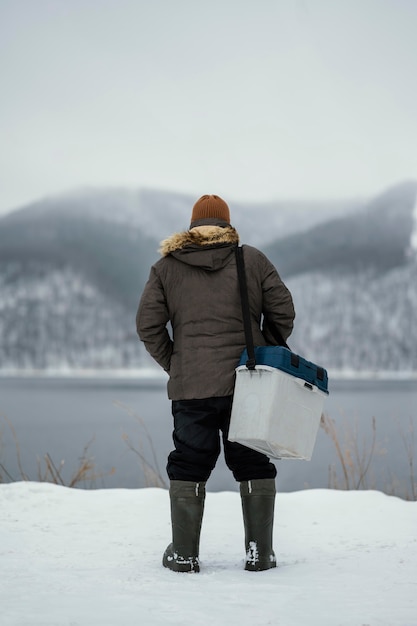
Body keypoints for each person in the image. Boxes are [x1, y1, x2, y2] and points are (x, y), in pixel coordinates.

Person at [136, 194, 295, 573]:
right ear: (227, 224)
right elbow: (283, 311)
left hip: (192, 386)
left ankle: (184, 556)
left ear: (192, 226)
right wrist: (264, 350)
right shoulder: (250, 259)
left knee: (189, 463)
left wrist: (176, 363)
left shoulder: (166, 268)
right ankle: (259, 555)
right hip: (249, 381)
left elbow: (147, 326)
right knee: (252, 459)